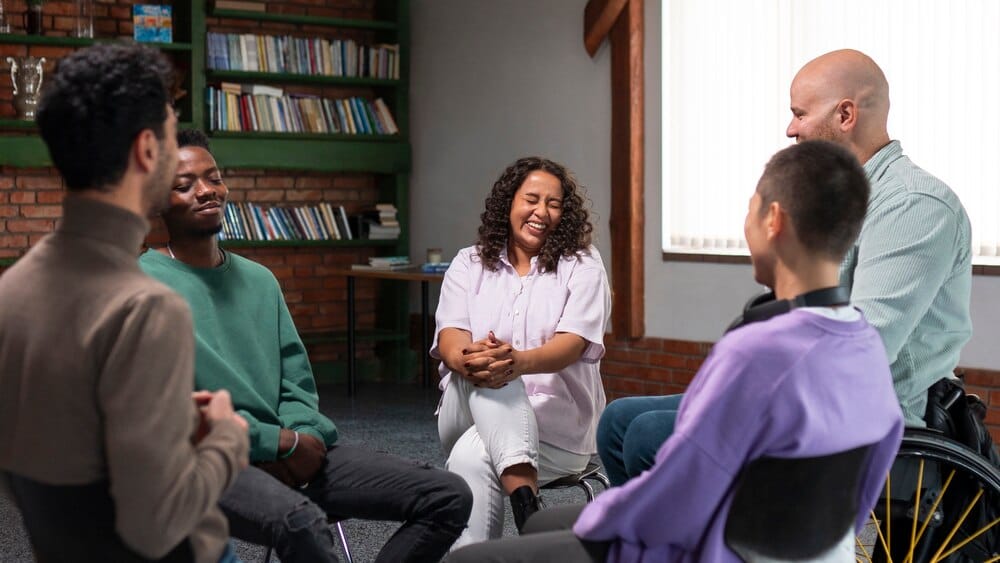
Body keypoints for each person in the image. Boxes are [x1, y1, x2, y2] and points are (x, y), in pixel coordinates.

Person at [448, 140, 905, 563]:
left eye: (750, 208)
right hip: (793, 546)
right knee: (545, 522)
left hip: (699, 545)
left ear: (774, 220)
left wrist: (602, 516)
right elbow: (877, 457)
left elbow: (675, 495)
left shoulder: (755, 350)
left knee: (472, 559)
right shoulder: (862, 341)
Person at [598, 48, 972, 485]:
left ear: (846, 115)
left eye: (799, 114)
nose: (790, 128)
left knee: (650, 436)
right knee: (619, 420)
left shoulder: (913, 205)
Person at [139, 129, 473, 563]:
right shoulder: (141, 287)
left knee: (447, 495)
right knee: (301, 523)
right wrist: (273, 443)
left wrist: (302, 439)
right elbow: (169, 413)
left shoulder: (259, 280)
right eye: (184, 185)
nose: (206, 191)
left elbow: (297, 384)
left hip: (293, 451)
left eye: (214, 178)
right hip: (211, 462)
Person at [0, 44, 249, 562]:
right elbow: (155, 527)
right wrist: (226, 437)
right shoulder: (145, 310)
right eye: (170, 127)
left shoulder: (12, 290)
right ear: (146, 151)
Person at [432, 156, 611, 547]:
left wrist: (518, 363)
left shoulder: (582, 264)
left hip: (557, 429)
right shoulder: (469, 263)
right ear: (508, 202)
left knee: (473, 457)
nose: (541, 212)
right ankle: (529, 515)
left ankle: (498, 532)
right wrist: (476, 359)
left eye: (554, 204)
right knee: (488, 371)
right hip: (463, 410)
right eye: (531, 199)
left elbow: (572, 344)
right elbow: (450, 339)